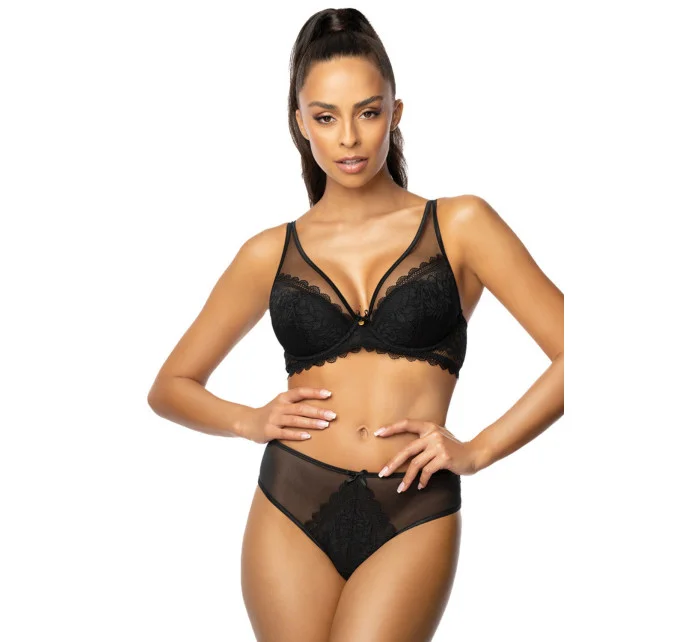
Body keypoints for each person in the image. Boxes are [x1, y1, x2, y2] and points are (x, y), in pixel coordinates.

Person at [147, 8, 564, 641]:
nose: (348, 138)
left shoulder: (461, 224)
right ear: (300, 123)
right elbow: (170, 386)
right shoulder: (268, 252)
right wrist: (248, 420)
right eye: (325, 117)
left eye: (367, 112)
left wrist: (478, 450)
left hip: (413, 504)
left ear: (396, 113)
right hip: (291, 502)